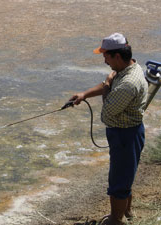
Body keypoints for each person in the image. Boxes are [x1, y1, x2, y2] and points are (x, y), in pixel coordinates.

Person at [70, 33, 148, 225]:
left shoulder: (128, 84)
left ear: (117, 56)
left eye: (106, 56)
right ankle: (127, 211)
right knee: (126, 174)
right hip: (131, 132)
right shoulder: (130, 67)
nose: (104, 60)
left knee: (119, 181)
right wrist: (84, 94)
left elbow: (108, 113)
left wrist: (106, 84)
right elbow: (110, 85)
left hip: (125, 135)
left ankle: (116, 219)